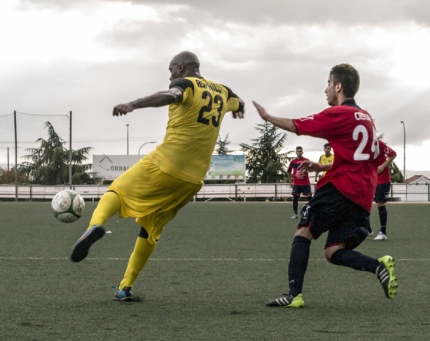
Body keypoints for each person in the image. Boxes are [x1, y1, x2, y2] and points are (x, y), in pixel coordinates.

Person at [70, 51, 245, 301]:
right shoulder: (224, 92)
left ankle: (94, 227)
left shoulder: (184, 84)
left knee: (117, 190)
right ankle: (124, 287)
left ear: (181, 67)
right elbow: (240, 103)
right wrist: (239, 111)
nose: (170, 75)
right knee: (151, 229)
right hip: (193, 180)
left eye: (171, 70)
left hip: (166, 163)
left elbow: (171, 95)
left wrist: (133, 104)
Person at [253, 63, 397, 308]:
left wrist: (267, 117)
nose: (326, 89)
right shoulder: (367, 118)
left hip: (339, 189)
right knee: (333, 251)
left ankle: (293, 295)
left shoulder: (339, 114)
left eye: (329, 84)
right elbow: (358, 159)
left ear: (338, 86)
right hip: (362, 195)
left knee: (304, 232)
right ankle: (378, 266)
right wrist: (320, 168)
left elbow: (296, 125)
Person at [369, 141, 397, 240]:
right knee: (363, 203)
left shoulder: (378, 143)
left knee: (380, 203)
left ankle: (383, 233)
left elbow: (393, 154)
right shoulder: (361, 145)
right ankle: (368, 230)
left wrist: (382, 166)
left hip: (382, 180)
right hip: (370, 179)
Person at [287, 146, 312, 219]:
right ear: (296, 152)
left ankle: (314, 212)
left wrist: (306, 170)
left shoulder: (306, 160)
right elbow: (288, 171)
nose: (299, 152)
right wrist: (290, 182)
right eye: (297, 151)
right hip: (297, 184)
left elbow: (310, 169)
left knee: (310, 197)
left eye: (300, 151)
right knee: (295, 198)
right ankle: (295, 214)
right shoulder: (293, 162)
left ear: (302, 152)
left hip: (305, 183)